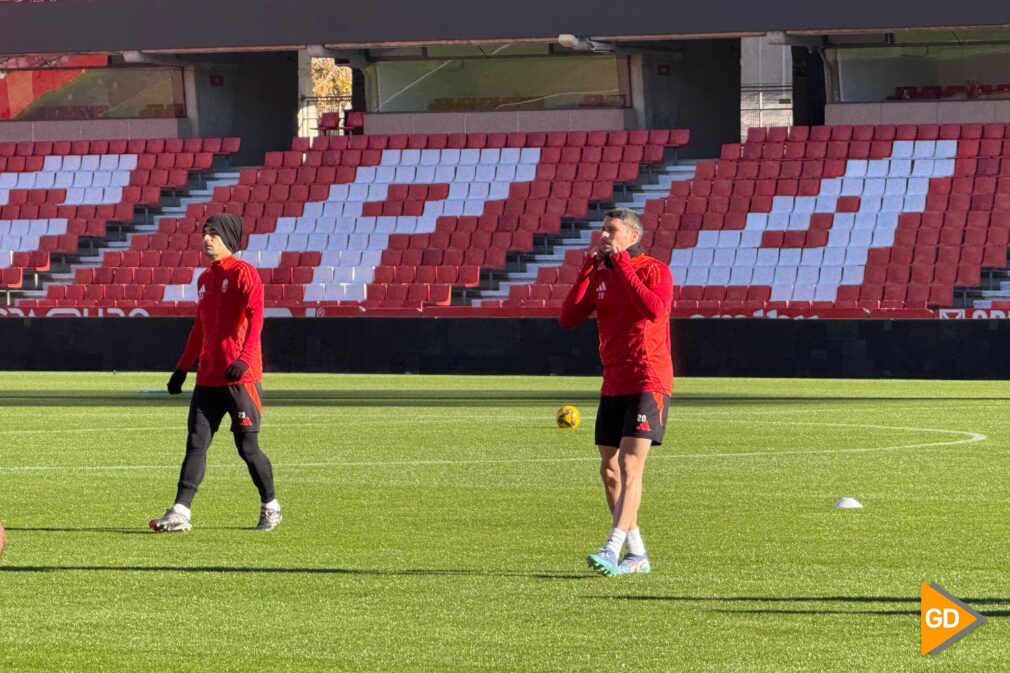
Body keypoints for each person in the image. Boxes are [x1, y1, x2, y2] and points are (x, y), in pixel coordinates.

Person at [559, 207, 674, 576]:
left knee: (629, 465)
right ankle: (637, 552)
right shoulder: (601, 275)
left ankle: (612, 547)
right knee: (609, 470)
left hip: (648, 378)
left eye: (612, 230)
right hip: (614, 381)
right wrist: (586, 272)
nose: (604, 235)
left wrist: (621, 265)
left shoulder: (654, 269)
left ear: (632, 236)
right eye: (603, 229)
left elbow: (654, 310)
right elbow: (568, 318)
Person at [149, 213, 281, 532]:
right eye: (205, 233)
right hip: (208, 377)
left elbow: (257, 317)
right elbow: (200, 328)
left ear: (229, 240)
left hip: (239, 379)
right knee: (196, 442)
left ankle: (271, 506)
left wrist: (245, 359)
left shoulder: (244, 274)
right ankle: (181, 512)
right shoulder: (205, 279)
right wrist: (182, 369)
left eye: (214, 234)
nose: (207, 239)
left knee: (247, 448)